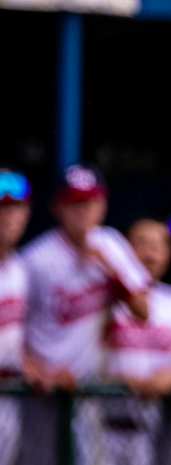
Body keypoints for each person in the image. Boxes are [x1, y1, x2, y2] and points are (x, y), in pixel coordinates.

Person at [17, 163, 151, 465]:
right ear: (57, 207)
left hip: (88, 393)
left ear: (102, 204)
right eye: (75, 202)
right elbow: (13, 327)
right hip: (42, 394)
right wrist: (40, 370)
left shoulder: (112, 244)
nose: (84, 210)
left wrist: (110, 268)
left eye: (91, 201)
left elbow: (143, 311)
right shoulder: (35, 259)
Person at [102, 216, 171, 465]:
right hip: (100, 424)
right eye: (142, 244)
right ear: (125, 250)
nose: (150, 253)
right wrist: (118, 378)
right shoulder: (102, 298)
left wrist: (169, 377)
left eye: (158, 246)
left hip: (153, 431)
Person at [0, 169, 31, 465]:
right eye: (2, 208)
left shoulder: (21, 268)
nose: (8, 216)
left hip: (12, 398)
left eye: (15, 208)